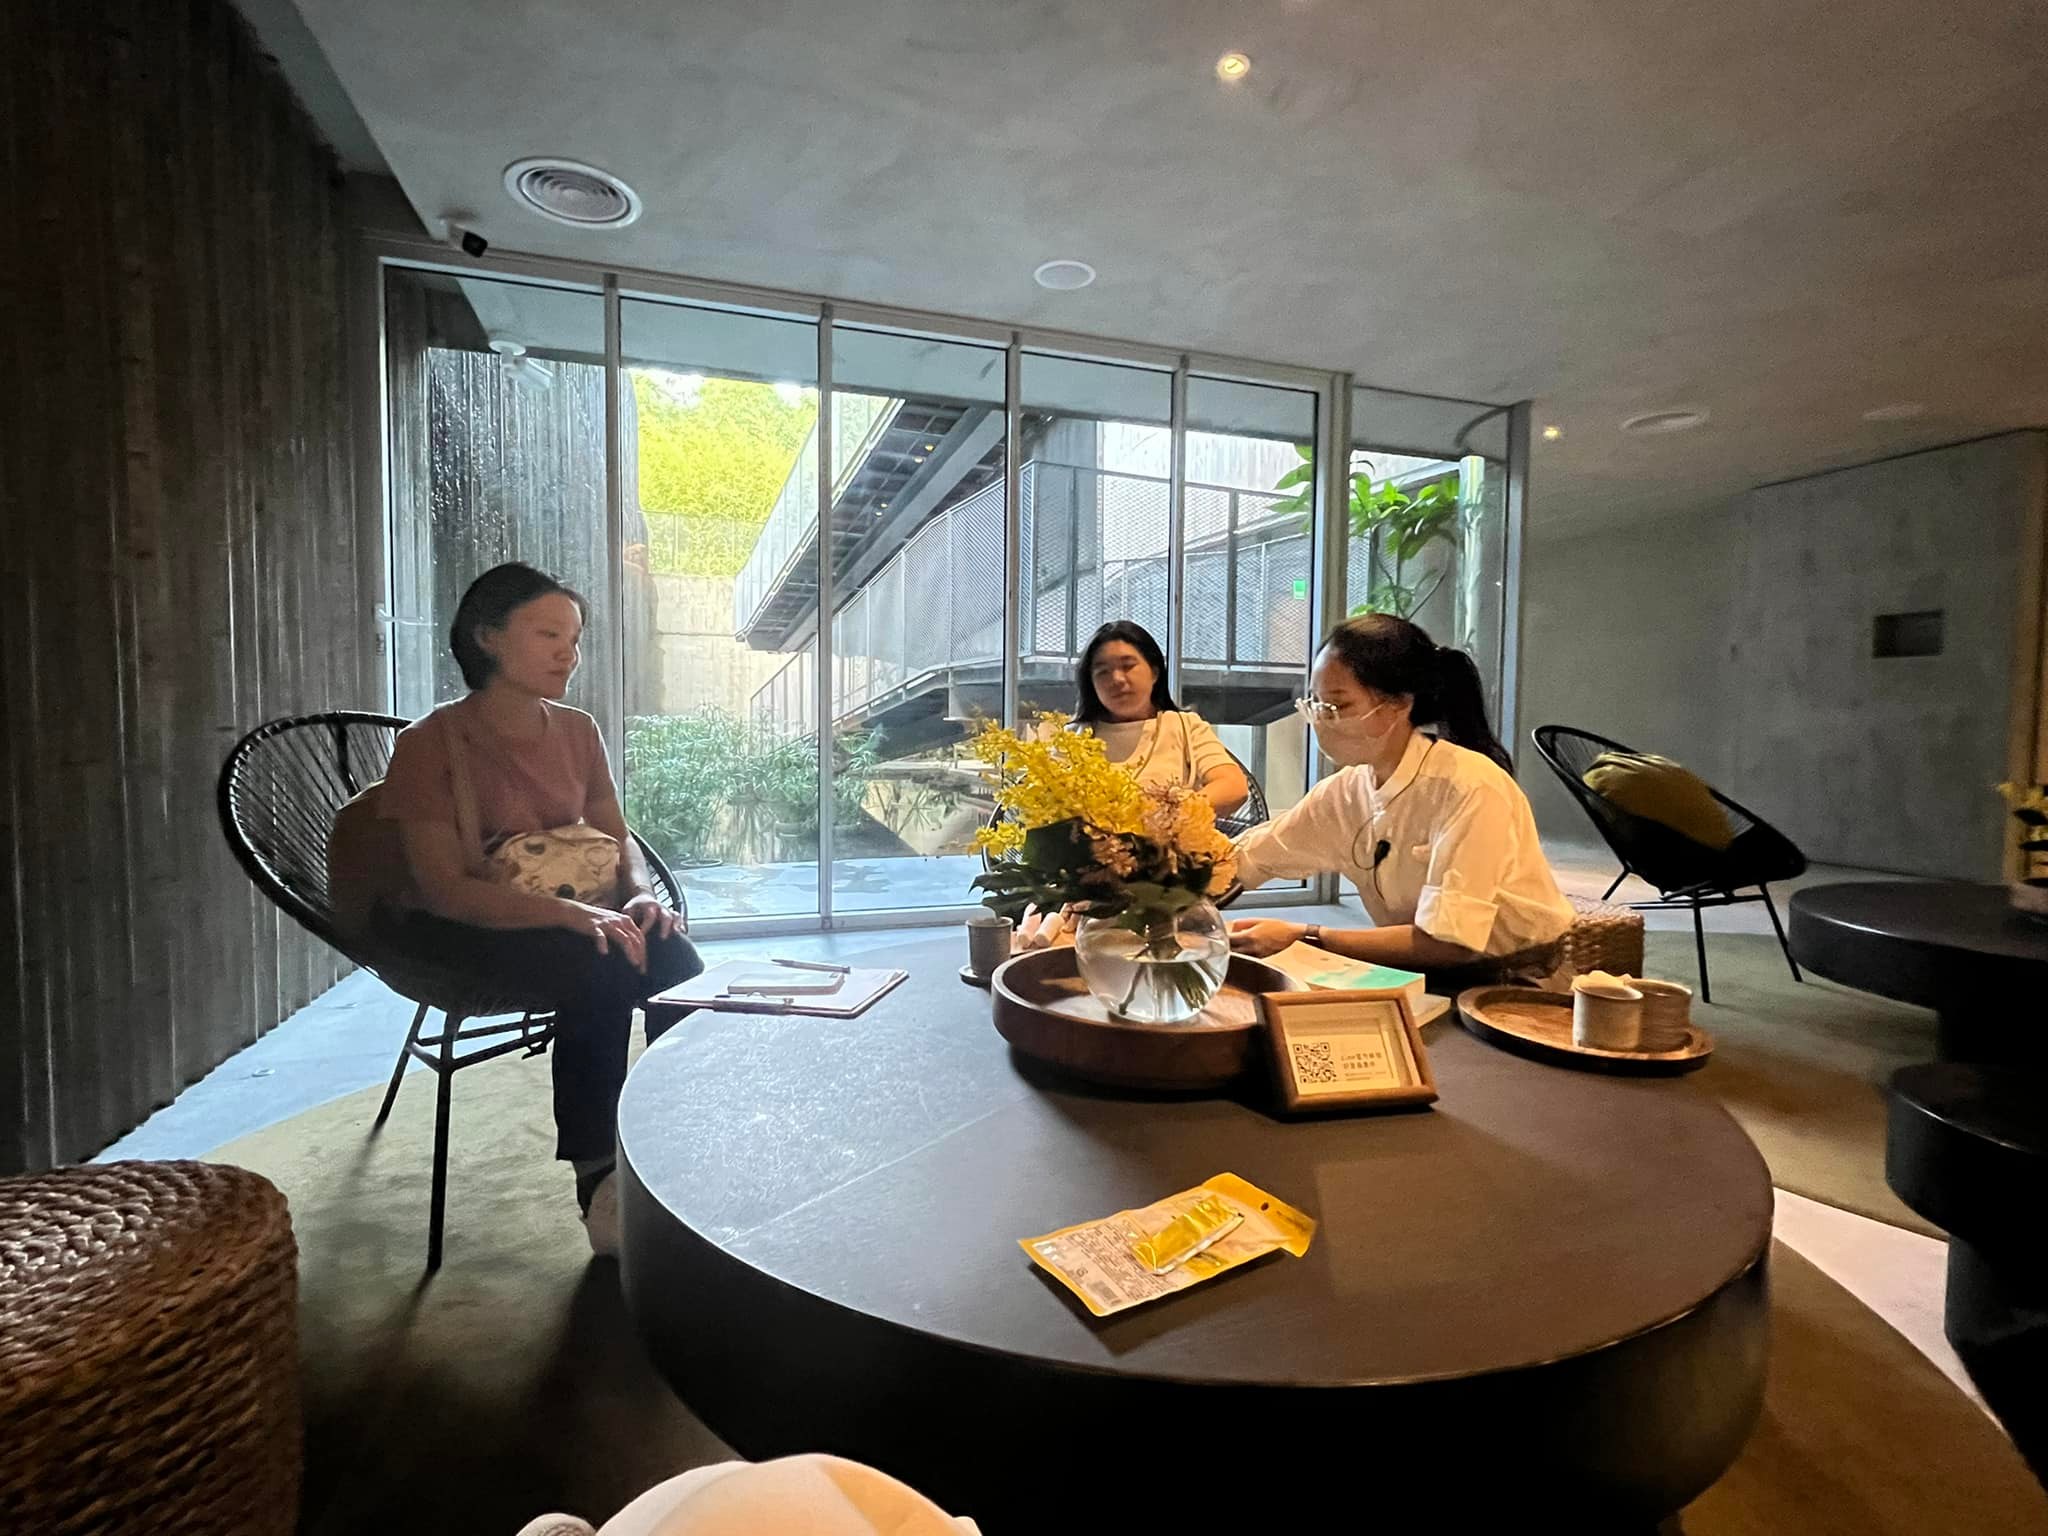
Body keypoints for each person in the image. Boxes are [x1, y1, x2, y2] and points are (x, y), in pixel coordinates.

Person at [373, 562, 702, 1257]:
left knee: (674, 956)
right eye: (548, 635)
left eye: (574, 639)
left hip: (570, 908)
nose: (568, 654)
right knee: (599, 964)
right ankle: (599, 1180)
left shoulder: (578, 730)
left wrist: (640, 894)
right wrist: (577, 918)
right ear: (488, 637)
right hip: (466, 924)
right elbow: (444, 889)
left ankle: (675, 1143)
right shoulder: (429, 745)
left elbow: (616, 836)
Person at [1227, 614, 1573, 988]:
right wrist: (1187, 878)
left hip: (1512, 980)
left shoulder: (1470, 786)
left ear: (1399, 704)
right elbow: (1246, 859)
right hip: (1419, 970)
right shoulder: (1346, 791)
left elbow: (1450, 942)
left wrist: (1307, 935)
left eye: (1338, 707)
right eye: (1316, 704)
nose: (1323, 722)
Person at [1067, 620, 1249, 817]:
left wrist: (1171, 816)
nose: (1117, 679)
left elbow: (1233, 787)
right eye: (1103, 672)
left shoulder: (1185, 726)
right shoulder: (1074, 738)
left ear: (1154, 672)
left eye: (1128, 666)